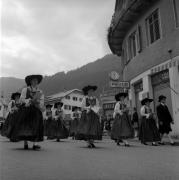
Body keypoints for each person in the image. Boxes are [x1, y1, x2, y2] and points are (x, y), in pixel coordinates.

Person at [10, 74, 44, 150]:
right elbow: (21, 99)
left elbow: (42, 102)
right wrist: (28, 101)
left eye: (36, 80)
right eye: (33, 80)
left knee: (36, 126)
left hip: (36, 110)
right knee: (25, 126)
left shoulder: (40, 92)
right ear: (30, 81)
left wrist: (38, 102)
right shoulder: (25, 89)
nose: (35, 82)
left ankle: (35, 144)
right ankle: (26, 143)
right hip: (26, 109)